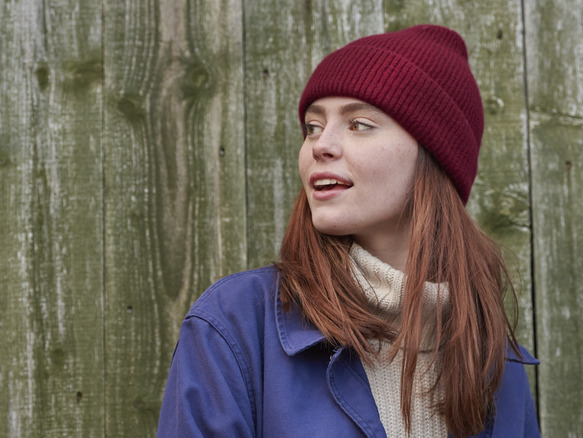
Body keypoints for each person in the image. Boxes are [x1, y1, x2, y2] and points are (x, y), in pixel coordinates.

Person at [157, 24, 540, 438]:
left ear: (434, 158)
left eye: (358, 123)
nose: (320, 144)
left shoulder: (495, 364)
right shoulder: (234, 328)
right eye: (313, 126)